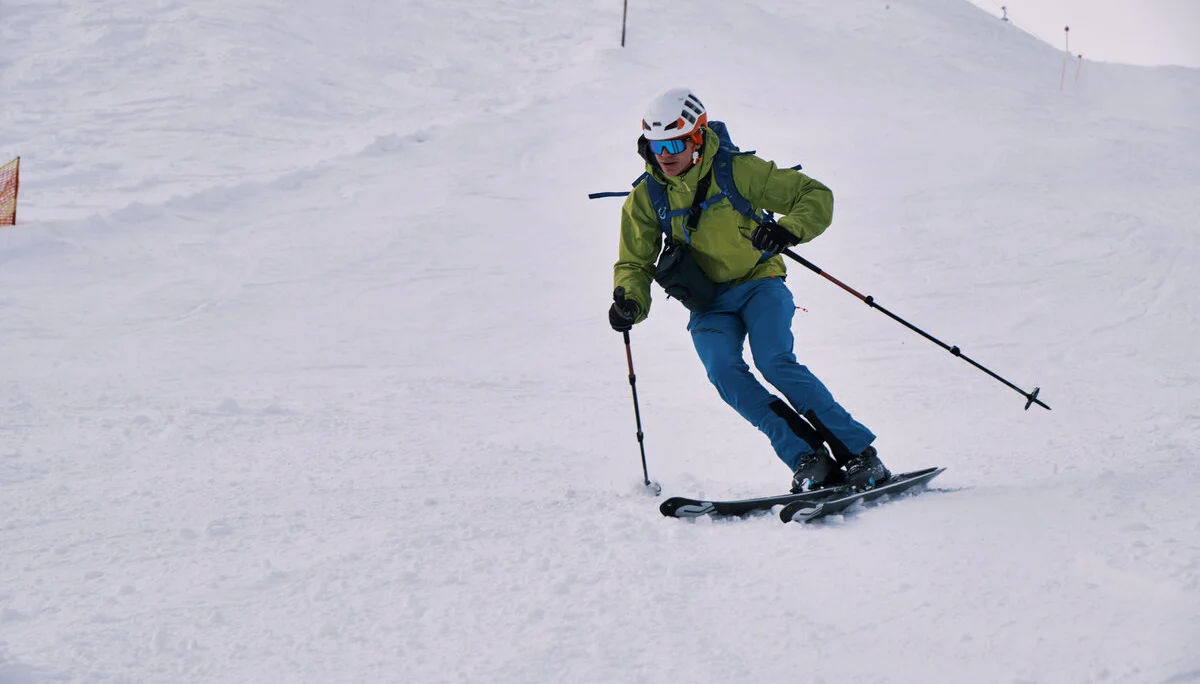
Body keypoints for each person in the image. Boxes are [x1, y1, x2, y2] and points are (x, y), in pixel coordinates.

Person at [608, 87, 890, 492]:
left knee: (774, 361)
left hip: (760, 283)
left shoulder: (737, 170)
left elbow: (814, 194)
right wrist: (629, 300)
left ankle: (861, 455)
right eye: (654, 146)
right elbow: (633, 261)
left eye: (674, 143)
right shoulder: (647, 197)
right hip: (708, 302)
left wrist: (786, 230)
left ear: (698, 138)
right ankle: (809, 459)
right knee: (724, 371)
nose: (664, 155)